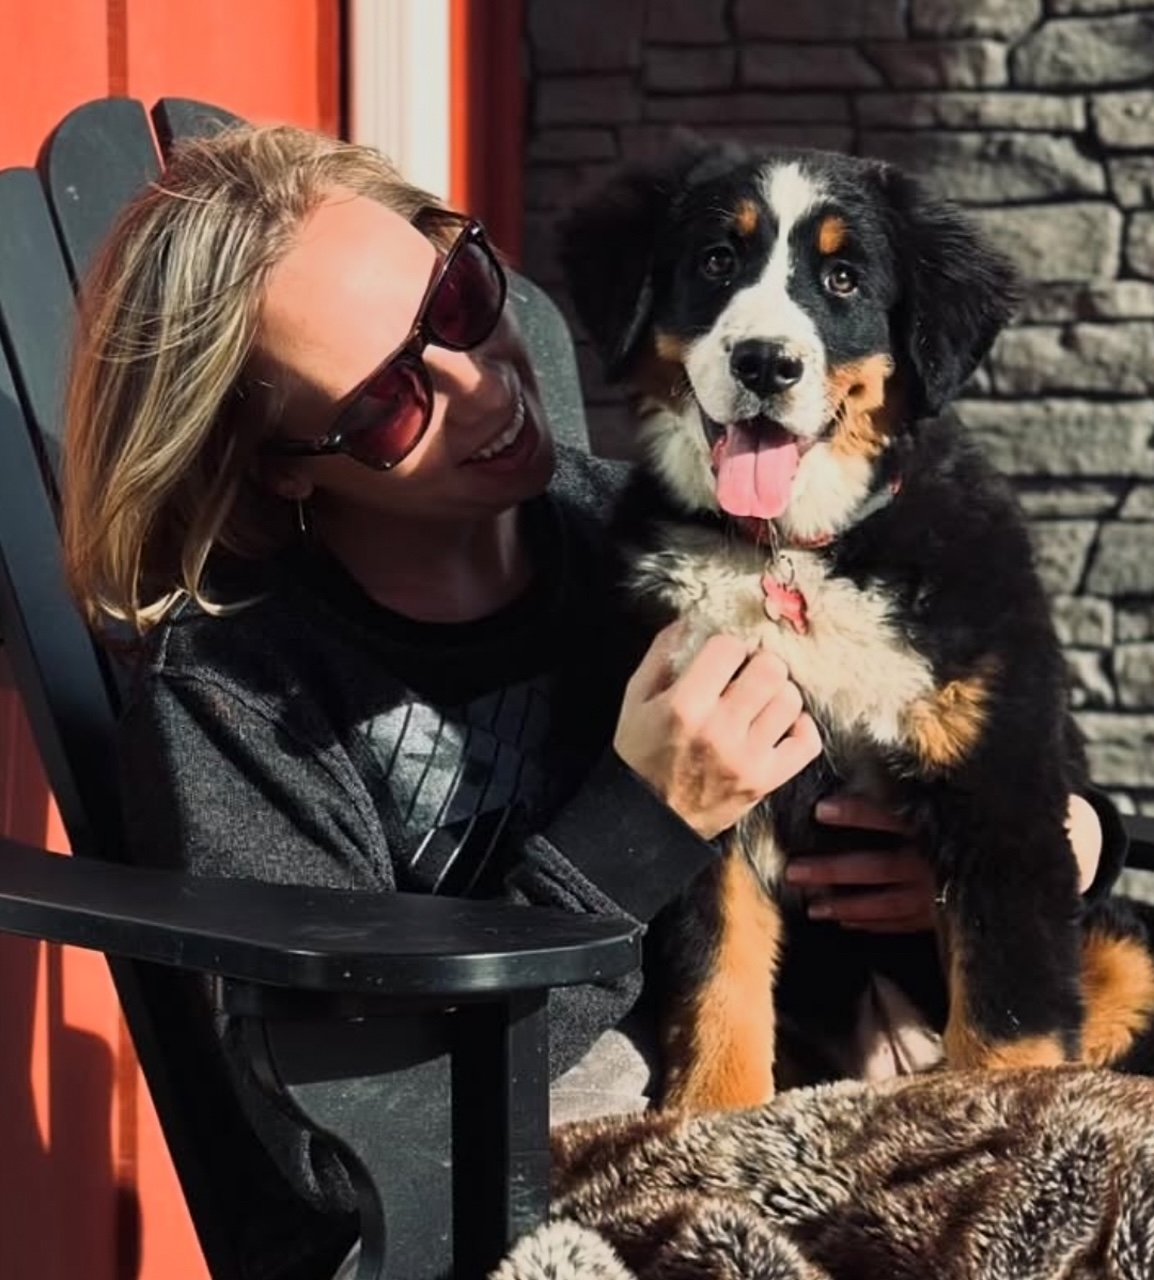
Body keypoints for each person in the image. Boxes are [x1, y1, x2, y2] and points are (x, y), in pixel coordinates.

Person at [61, 124, 1124, 1257]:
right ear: (278, 463)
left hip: (837, 1103)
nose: (479, 384)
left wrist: (1058, 841)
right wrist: (640, 826)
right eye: (386, 403)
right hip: (535, 1203)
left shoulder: (682, 535)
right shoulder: (239, 705)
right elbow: (354, 1141)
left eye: (461, 302)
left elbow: (990, 773)